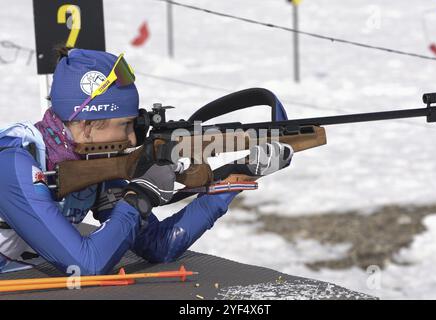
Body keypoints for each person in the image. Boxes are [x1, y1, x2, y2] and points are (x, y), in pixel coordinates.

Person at [0, 48, 293, 275]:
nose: (131, 140)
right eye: (126, 125)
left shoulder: (92, 162)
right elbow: (85, 265)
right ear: (88, 125)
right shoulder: (16, 161)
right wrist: (140, 195)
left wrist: (235, 176)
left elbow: (159, 245)